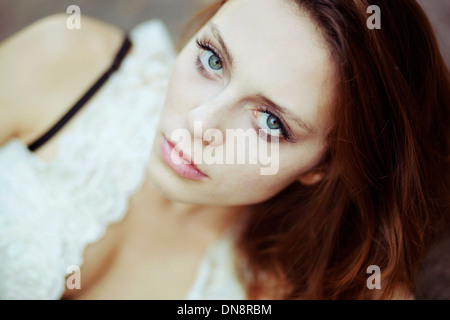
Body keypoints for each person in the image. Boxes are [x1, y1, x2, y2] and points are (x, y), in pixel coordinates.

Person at [0, 0, 449, 300]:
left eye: (271, 123)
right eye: (213, 59)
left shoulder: (299, 287)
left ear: (325, 165)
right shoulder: (68, 62)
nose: (199, 124)